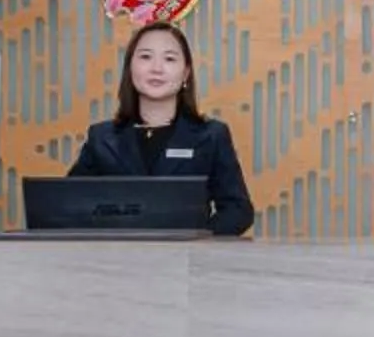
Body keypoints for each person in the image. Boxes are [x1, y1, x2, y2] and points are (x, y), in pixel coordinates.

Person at [69, 21, 255, 236]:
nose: (156, 68)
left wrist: (197, 239)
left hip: (188, 262)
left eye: (169, 59)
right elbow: (71, 206)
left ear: (185, 73)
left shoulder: (212, 135)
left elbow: (238, 209)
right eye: (146, 57)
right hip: (116, 261)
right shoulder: (101, 138)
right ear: (130, 68)